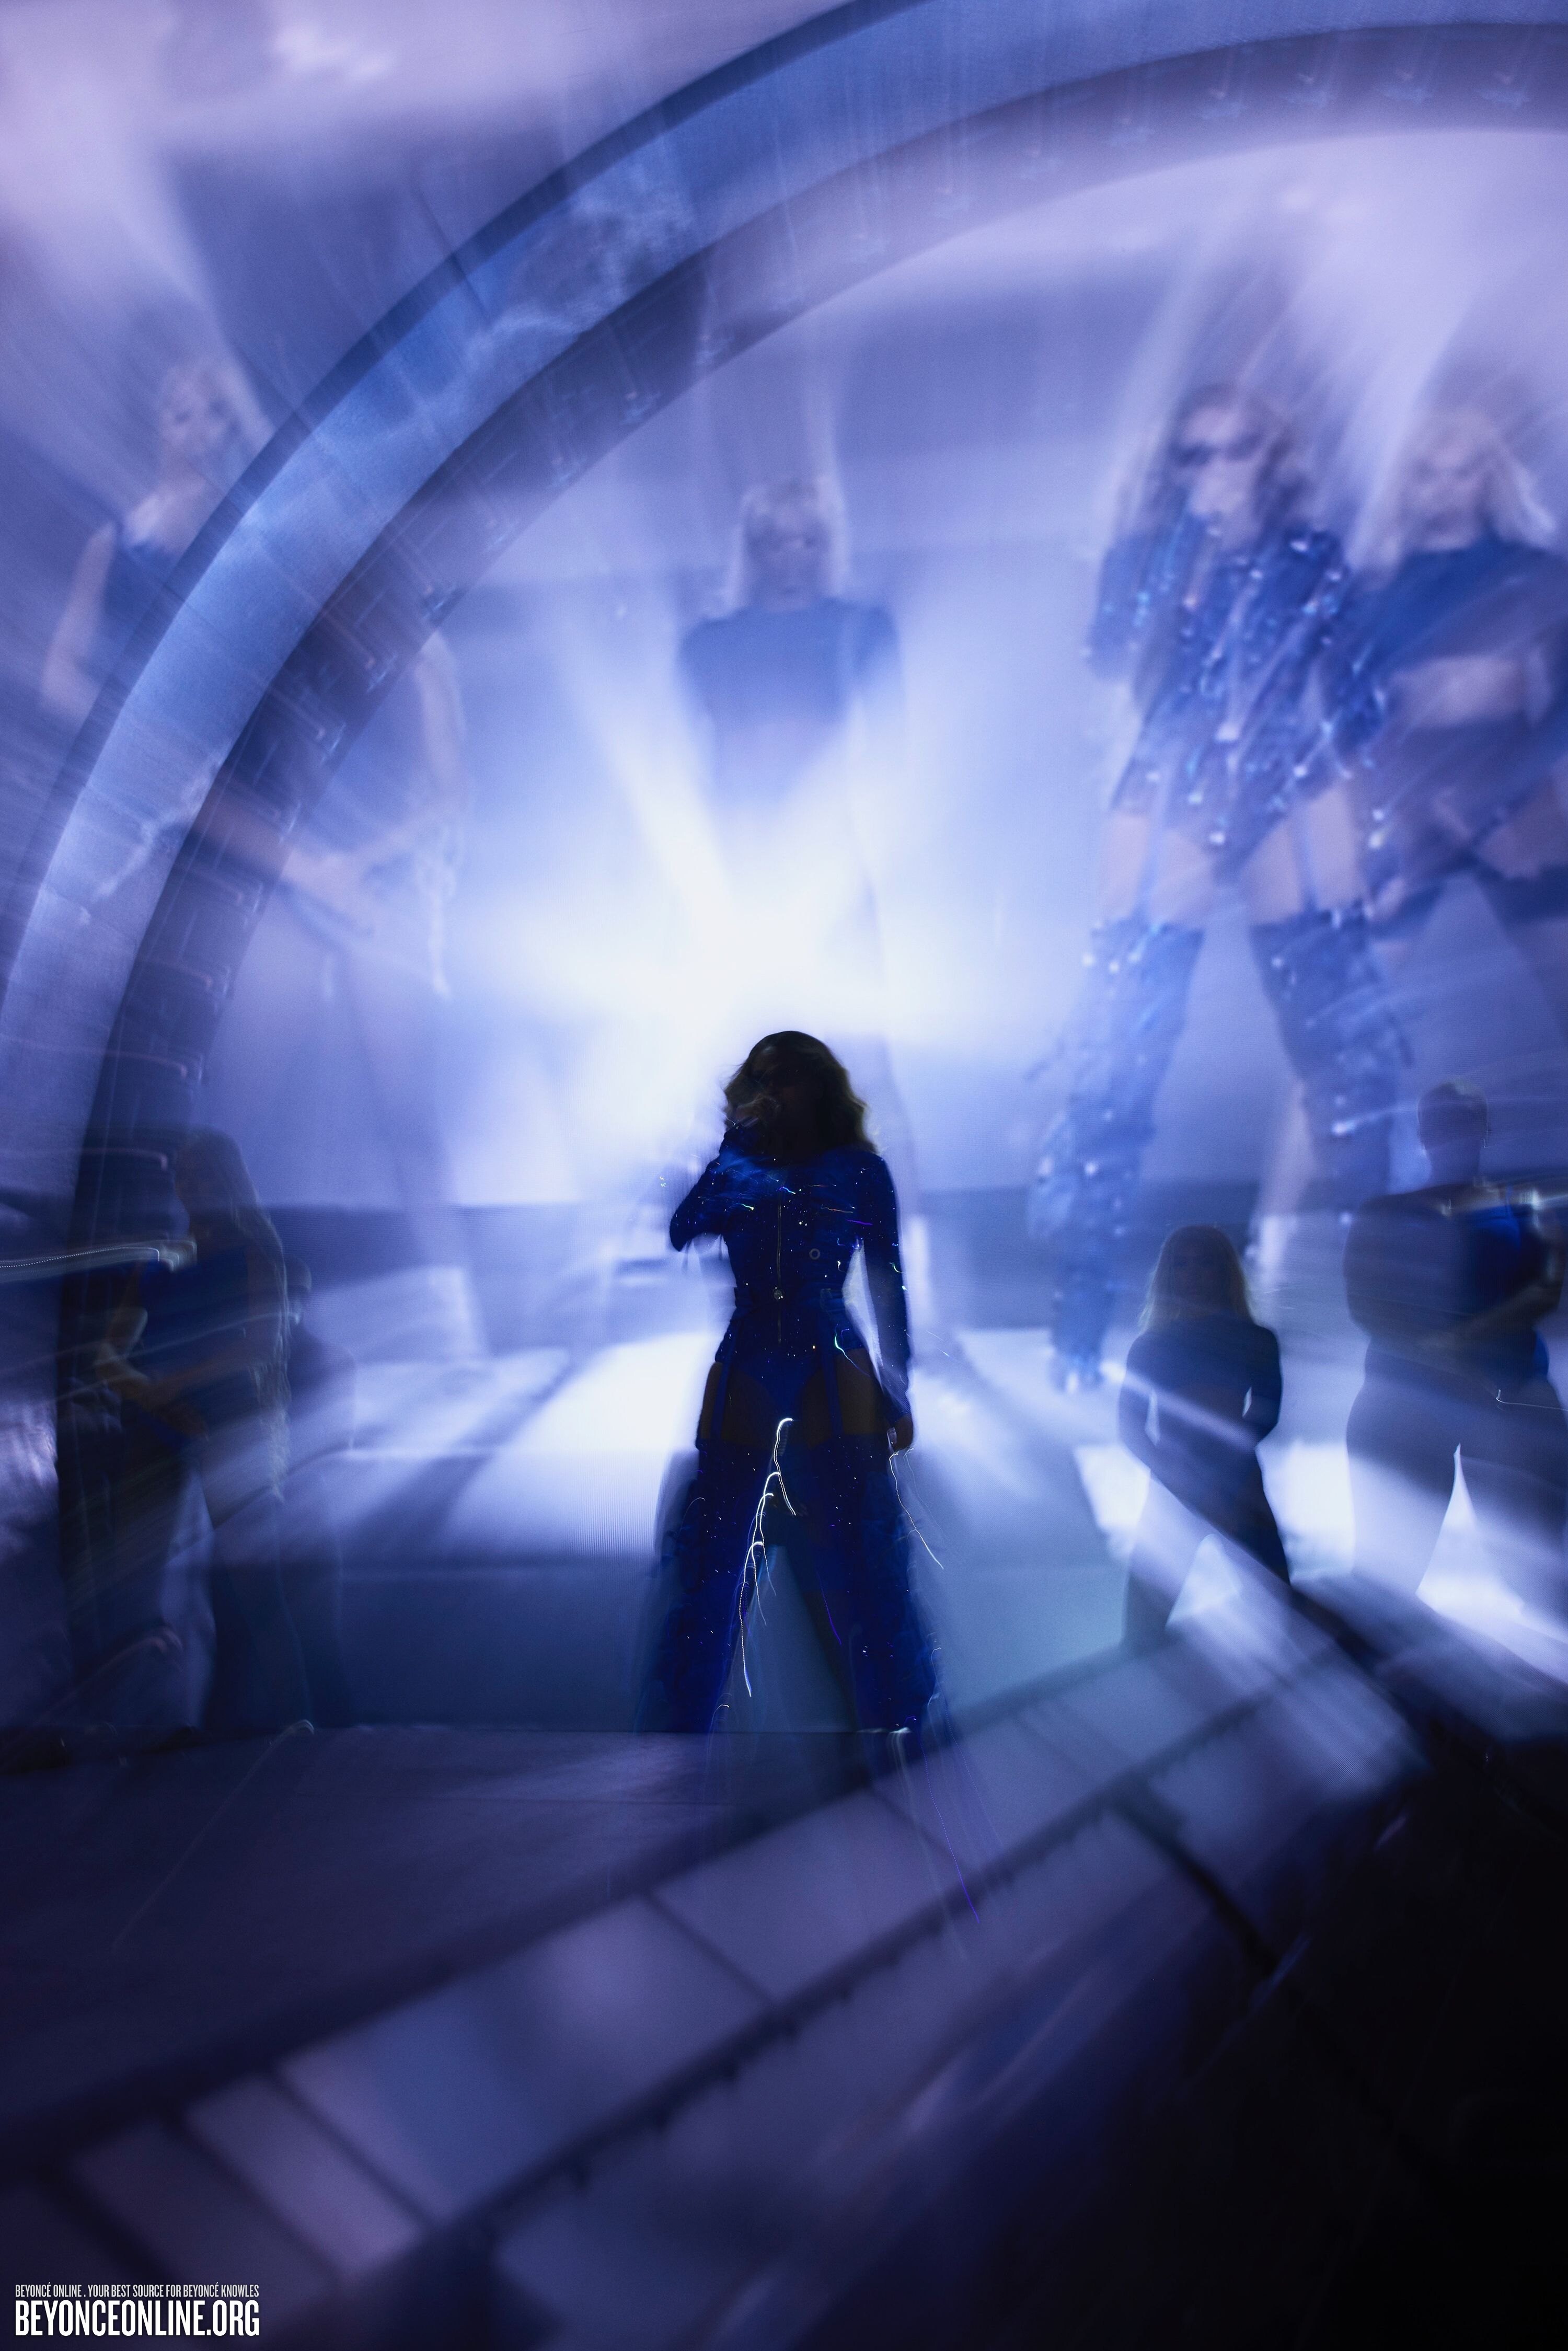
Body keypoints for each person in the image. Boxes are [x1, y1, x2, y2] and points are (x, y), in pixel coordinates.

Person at [1031, 384, 1404, 1384]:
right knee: (1124, 1044)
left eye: (1238, 450)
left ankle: (1390, 1307)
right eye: (1196, 455)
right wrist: (1181, 557)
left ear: (1271, 460)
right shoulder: (1146, 558)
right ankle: (1079, 1312)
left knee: (1345, 1048)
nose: (1218, 470)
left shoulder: (1313, 555)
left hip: (1287, 775)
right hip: (1177, 774)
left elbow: (1360, 700)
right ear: (1174, 469)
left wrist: (1371, 827)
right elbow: (1113, 653)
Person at [638, 1032, 935, 1735]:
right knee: (717, 1541)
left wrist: (898, 1381)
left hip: (827, 1355)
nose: (774, 1092)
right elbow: (682, 1229)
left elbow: (886, 1276)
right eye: (762, 1079)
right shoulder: (743, 1162)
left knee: (860, 1538)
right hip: (758, 1352)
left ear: (815, 1085)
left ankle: (889, 1711)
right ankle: (687, 1718)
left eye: (785, 1079)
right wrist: (730, 1152)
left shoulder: (860, 1168)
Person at [678, 479, 928, 1281]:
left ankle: (907, 1271)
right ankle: (763, 1270)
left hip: (832, 872)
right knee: (745, 1076)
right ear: (753, 551)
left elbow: (891, 754)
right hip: (742, 875)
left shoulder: (860, 630)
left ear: (828, 547)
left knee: (869, 1069)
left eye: (807, 541)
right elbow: (691, 764)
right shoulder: (710, 644)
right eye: (776, 542)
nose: (792, 557)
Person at [1333, 408, 1568, 1035]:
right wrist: (1383, 814)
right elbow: (1347, 713)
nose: (1446, 489)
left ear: (1489, 478)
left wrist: (1501, 799)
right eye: (1429, 474)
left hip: (1512, 784)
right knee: (1354, 1010)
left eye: (1463, 473)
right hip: (1411, 791)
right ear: (1405, 484)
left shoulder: (1536, 572)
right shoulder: (1375, 589)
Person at [96, 1130, 309, 1730]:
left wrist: (174, 1385)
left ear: (228, 1179)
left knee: (254, 1579)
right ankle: (139, 1723)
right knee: (134, 1576)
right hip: (159, 1421)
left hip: (232, 1421)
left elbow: (259, 1344)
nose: (192, 1186)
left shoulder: (257, 1255)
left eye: (204, 1174)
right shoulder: (160, 1258)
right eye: (184, 1175)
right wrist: (154, 1395)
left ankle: (294, 1717)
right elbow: (106, 1357)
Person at [1344, 1081, 1568, 1620]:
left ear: (1482, 1129)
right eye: (1443, 1123)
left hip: (1500, 1397)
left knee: (1544, 1570)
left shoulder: (1523, 1206)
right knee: (1388, 1569)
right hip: (1416, 1400)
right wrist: (1445, 1348)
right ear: (1424, 1134)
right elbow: (1366, 1301)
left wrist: (1455, 1344)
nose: (1453, 1135)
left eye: (1462, 1121)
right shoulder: (1383, 1214)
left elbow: (1546, 1287)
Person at [41, 353, 264, 728]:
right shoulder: (111, 547)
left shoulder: (253, 525)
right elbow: (58, 678)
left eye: (216, 413)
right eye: (183, 416)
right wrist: (139, 733)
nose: (200, 431)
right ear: (159, 426)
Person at [1118, 1225, 1289, 1649]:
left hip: (1233, 1486)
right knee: (1144, 1625)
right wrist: (1181, 1474)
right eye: (1182, 1264)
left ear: (1223, 1271)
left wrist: (1207, 1471)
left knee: (1279, 1615)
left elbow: (1266, 1413)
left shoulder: (1256, 1341)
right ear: (1169, 1275)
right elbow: (1130, 1426)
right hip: (1184, 1488)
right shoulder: (1151, 1346)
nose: (1193, 1274)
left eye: (1204, 1264)